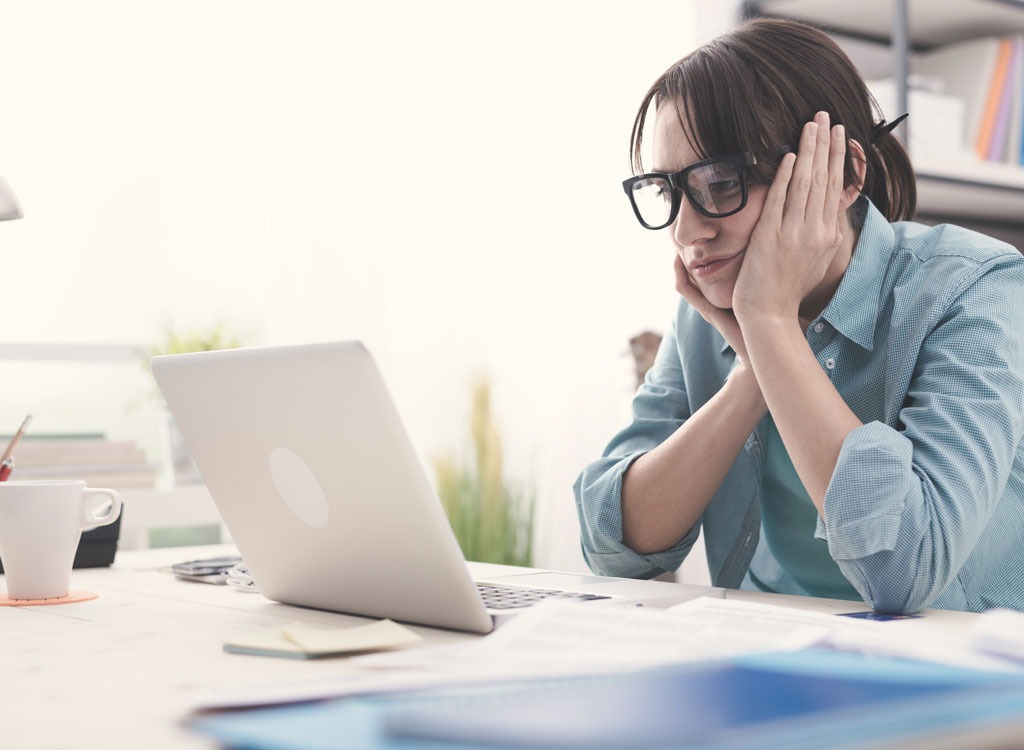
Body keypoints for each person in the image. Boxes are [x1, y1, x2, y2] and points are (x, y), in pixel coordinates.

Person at [573, 17, 1024, 614]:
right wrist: (755, 370)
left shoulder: (976, 290)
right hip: (766, 657)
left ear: (845, 176)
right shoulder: (711, 315)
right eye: (668, 191)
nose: (685, 229)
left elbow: (903, 575)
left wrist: (771, 323)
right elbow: (612, 547)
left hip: (958, 683)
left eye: (720, 182)